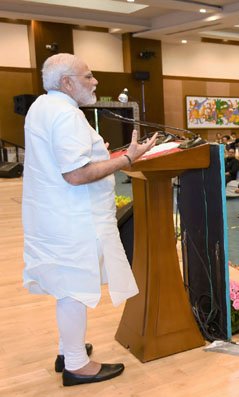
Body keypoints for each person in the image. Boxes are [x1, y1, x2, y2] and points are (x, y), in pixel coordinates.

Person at [23, 53, 158, 386]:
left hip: (54, 216)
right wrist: (127, 158)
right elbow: (77, 174)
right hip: (73, 218)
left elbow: (68, 160)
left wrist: (99, 153)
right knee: (74, 290)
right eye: (88, 76)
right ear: (67, 82)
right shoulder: (66, 115)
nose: (95, 82)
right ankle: (77, 365)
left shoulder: (42, 106)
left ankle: (67, 350)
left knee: (66, 288)